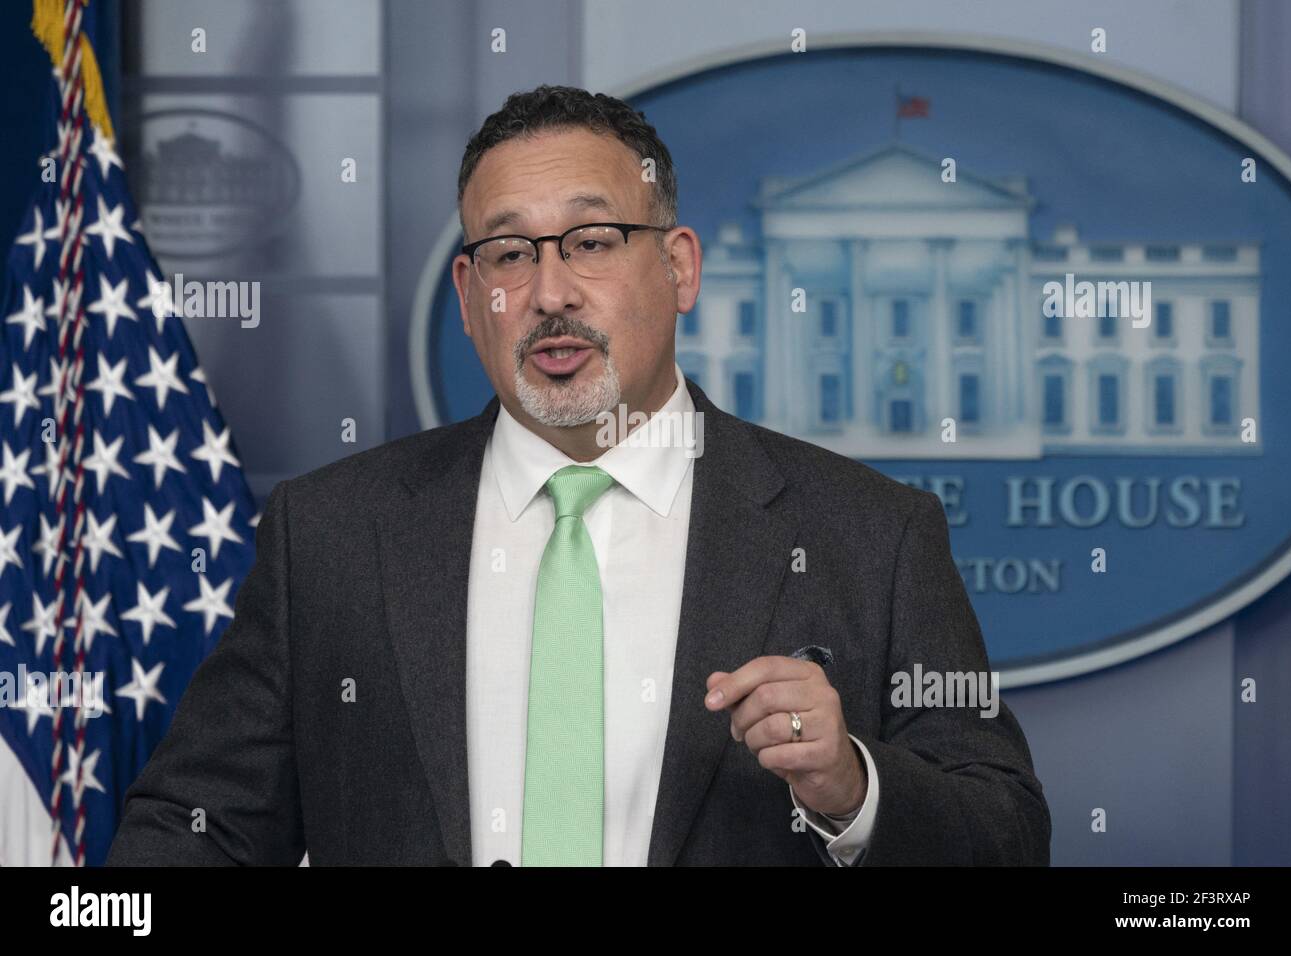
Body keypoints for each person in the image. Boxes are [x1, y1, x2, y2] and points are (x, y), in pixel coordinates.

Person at [107, 84, 1050, 866]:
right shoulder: (330, 535)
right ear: (473, 299)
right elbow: (196, 834)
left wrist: (852, 788)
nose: (551, 292)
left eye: (593, 242)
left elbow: (1006, 837)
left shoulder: (872, 535)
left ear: (678, 269)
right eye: (509, 253)